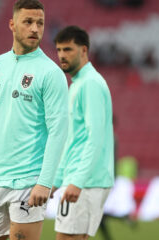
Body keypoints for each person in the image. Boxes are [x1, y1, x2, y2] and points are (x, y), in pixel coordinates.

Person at [0, 1, 69, 239]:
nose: (35, 29)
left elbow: (59, 130)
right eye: (28, 22)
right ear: (12, 25)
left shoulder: (51, 73)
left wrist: (45, 182)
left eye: (40, 23)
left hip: (28, 184)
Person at [51, 26, 115, 240]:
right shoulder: (78, 84)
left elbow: (94, 137)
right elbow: (73, 140)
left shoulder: (90, 84)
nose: (62, 55)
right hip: (81, 179)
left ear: (84, 51)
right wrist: (57, 179)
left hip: (86, 181)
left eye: (68, 49)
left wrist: (77, 181)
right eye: (59, 50)